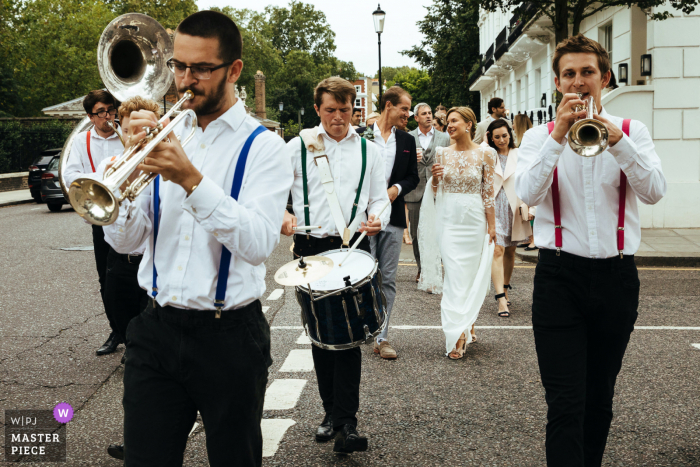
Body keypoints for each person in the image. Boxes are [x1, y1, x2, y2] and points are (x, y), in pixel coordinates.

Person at [103, 11, 293, 467]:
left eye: (201, 69)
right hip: (155, 328)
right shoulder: (166, 134)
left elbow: (256, 244)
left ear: (234, 70)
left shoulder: (264, 147)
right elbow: (129, 243)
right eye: (179, 67)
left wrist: (191, 180)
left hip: (228, 337)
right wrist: (117, 194)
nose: (185, 81)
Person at [515, 34, 666, 466]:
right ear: (558, 83)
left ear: (604, 79)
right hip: (558, 278)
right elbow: (527, 193)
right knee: (565, 401)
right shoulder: (538, 138)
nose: (578, 83)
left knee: (599, 399)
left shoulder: (633, 131)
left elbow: (654, 192)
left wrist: (619, 141)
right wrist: (559, 135)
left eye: (587, 73)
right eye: (569, 74)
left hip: (617, 278)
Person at [282, 77, 389, 455]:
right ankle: (331, 413)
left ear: (354, 110)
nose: (339, 117)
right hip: (310, 249)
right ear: (318, 110)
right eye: (331, 110)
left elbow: (380, 198)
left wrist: (377, 216)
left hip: (350, 249)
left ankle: (347, 421)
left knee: (348, 336)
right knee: (321, 335)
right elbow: (278, 194)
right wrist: (283, 215)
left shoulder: (370, 152)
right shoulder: (297, 148)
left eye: (345, 110)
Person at [99, 96, 162, 461]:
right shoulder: (112, 167)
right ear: (122, 130)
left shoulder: (168, 165)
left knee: (142, 355)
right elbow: (112, 230)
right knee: (128, 339)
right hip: (121, 263)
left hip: (152, 271)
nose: (141, 135)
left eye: (148, 127)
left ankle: (138, 432)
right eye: (134, 128)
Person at [418, 107, 496, 359]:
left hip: (475, 221)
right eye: (447, 122)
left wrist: (492, 226)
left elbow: (488, 194)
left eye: (454, 121)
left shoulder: (487, 154)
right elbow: (435, 192)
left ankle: (468, 320)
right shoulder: (441, 153)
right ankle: (457, 333)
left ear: (469, 124)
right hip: (449, 220)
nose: (448, 125)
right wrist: (435, 179)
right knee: (454, 275)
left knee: (470, 276)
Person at [63, 89, 124, 356]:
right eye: (102, 112)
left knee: (132, 278)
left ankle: (136, 334)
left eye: (111, 110)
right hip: (101, 217)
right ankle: (117, 330)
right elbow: (71, 175)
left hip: (128, 214)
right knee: (106, 278)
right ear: (90, 116)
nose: (109, 116)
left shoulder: (126, 135)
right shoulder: (81, 140)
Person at [369, 86, 419, 359]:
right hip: (364, 219)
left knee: (387, 279)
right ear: (388, 105)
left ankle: (382, 337)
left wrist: (396, 189)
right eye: (404, 108)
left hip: (394, 217)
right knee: (364, 277)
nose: (408, 115)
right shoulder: (361, 136)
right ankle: (363, 327)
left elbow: (413, 177)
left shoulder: (407, 141)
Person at [486, 119, 533, 318]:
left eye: (504, 135)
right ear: (490, 137)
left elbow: (530, 180)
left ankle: (505, 287)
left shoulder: (519, 154)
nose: (502, 140)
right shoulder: (487, 154)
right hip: (494, 207)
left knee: (510, 252)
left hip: (514, 207)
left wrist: (532, 206)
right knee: (497, 249)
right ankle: (500, 299)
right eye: (497, 137)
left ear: (510, 135)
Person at [406, 102, 450, 283]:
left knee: (438, 230)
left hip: (437, 189)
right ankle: (421, 268)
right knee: (416, 233)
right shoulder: (407, 138)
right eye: (424, 113)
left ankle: (435, 267)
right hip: (415, 190)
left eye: (430, 113)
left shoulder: (444, 138)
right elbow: (401, 166)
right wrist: (410, 160)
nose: (429, 116)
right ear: (416, 118)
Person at [513, 114, 537, 250]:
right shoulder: (520, 141)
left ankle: (533, 239)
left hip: (529, 176)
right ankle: (529, 238)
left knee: (530, 207)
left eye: (514, 123)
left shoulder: (525, 141)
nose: (512, 125)